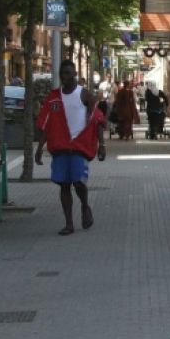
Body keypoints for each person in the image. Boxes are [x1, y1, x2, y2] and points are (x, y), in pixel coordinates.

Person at [35, 60, 106, 235]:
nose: (65, 76)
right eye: (63, 73)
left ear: (74, 74)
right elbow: (47, 124)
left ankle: (84, 205)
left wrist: (102, 144)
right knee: (64, 185)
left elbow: (96, 120)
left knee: (78, 182)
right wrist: (39, 148)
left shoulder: (84, 95)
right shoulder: (53, 97)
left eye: (68, 73)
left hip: (78, 146)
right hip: (60, 147)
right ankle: (69, 223)